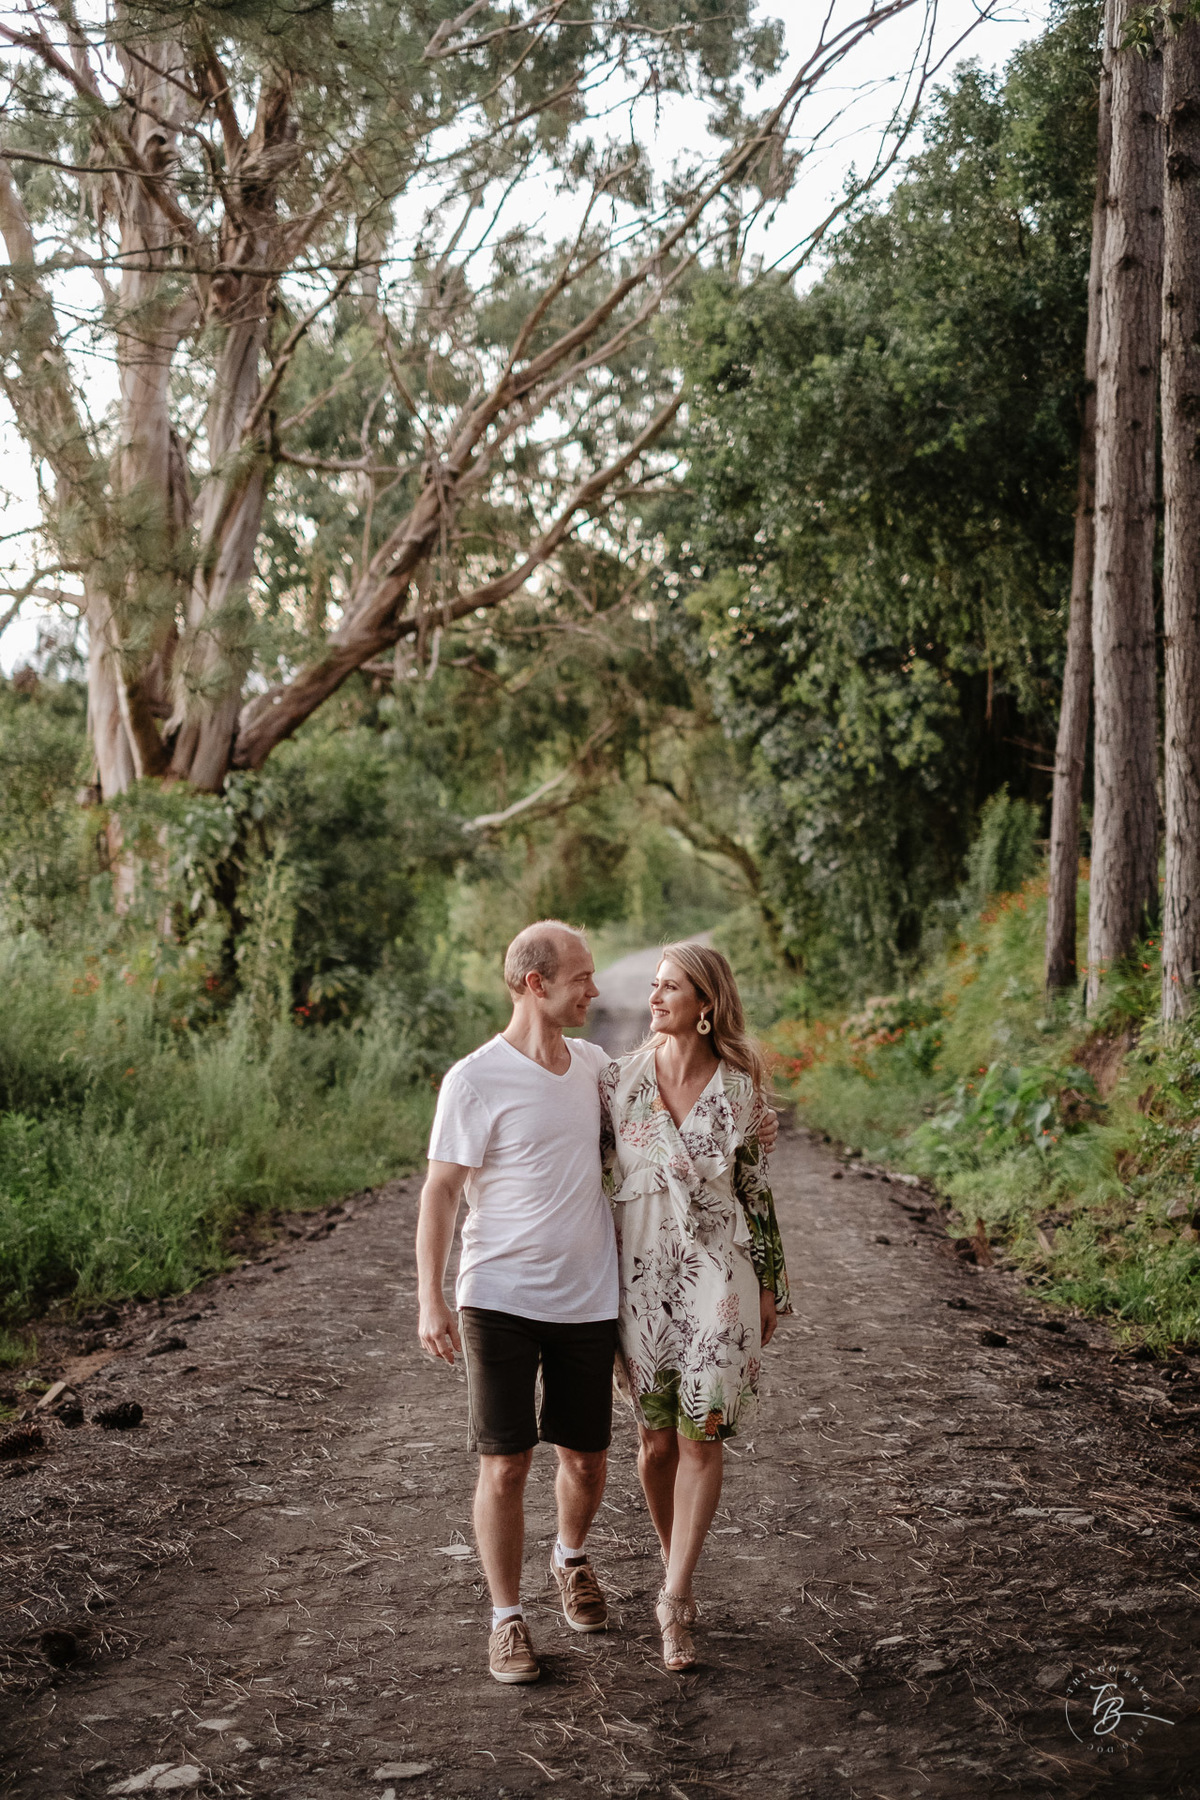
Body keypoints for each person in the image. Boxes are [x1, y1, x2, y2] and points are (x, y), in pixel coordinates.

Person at [415, 921, 617, 1686]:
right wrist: (429, 1299)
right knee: (505, 1467)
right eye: (581, 978)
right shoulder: (474, 1080)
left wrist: (753, 1119)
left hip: (588, 1297)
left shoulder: (596, 1066)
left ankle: (570, 1559)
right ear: (536, 984)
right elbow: (439, 1192)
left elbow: (672, 1094)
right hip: (497, 1296)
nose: (593, 991)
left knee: (587, 1461)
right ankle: (506, 1619)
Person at [600, 941, 790, 1672]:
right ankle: (672, 1554)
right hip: (641, 1278)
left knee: (701, 1431)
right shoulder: (619, 1081)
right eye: (652, 986)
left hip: (721, 1275)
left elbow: (755, 1193)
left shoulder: (740, 1088)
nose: (654, 998)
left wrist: (770, 1285)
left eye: (669, 987)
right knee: (654, 1443)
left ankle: (674, 1600)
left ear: (705, 1004)